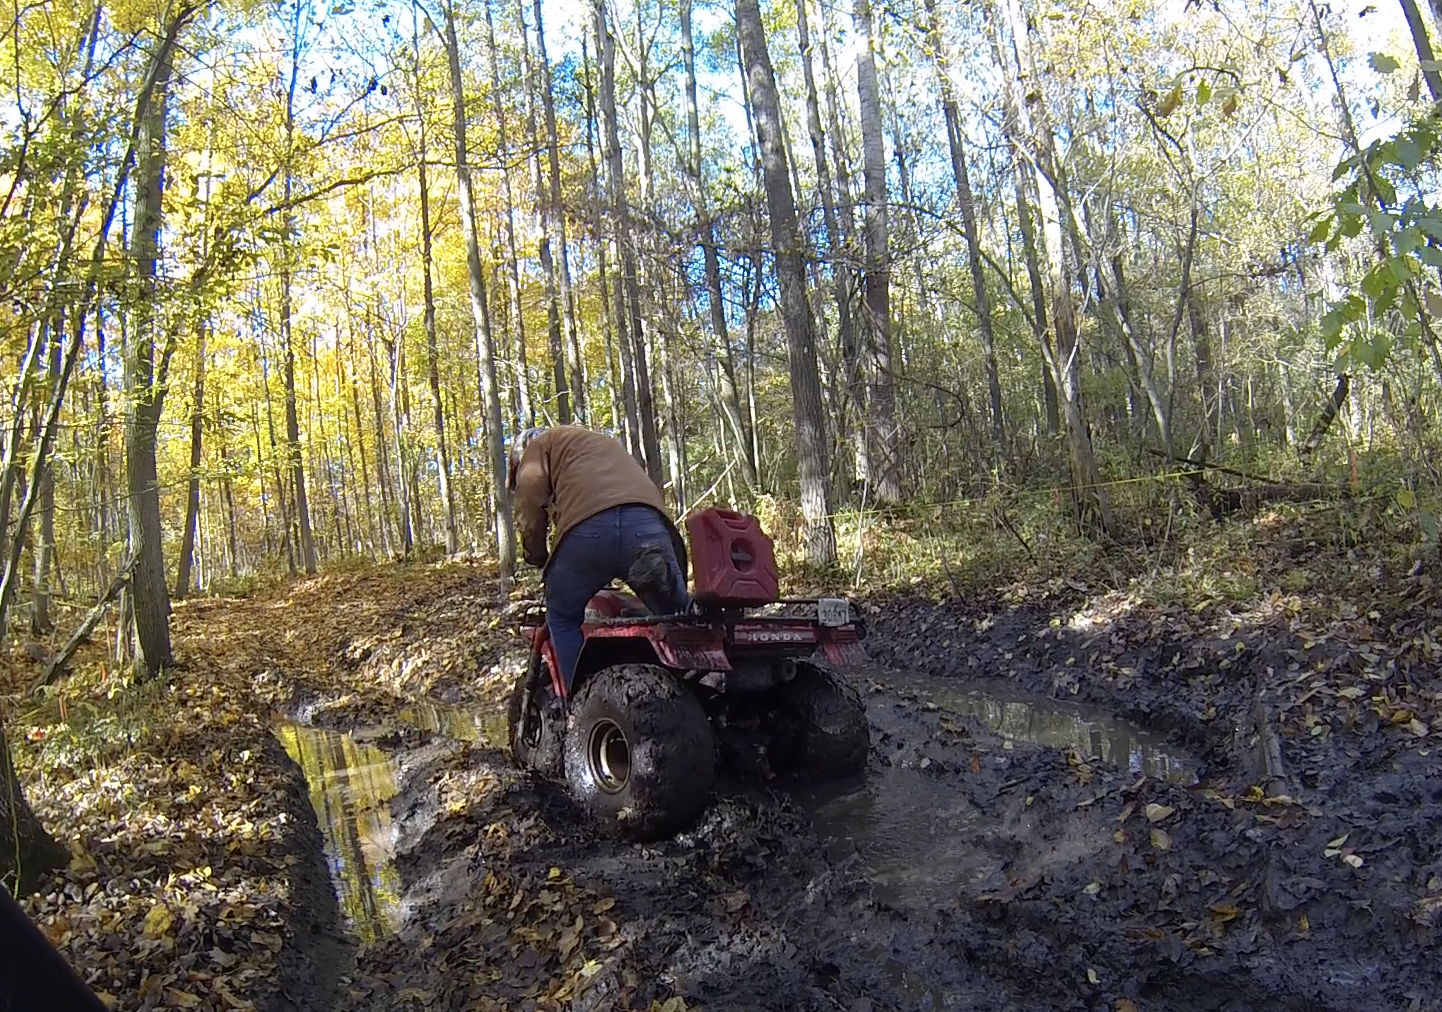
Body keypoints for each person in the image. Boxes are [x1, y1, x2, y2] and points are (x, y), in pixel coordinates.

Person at [509, 425, 690, 692]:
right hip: (648, 527)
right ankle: (697, 688)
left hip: (588, 532)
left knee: (562, 616)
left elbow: (529, 512)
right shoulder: (598, 444)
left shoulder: (537, 447)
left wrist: (537, 556)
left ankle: (578, 703)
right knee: (679, 616)